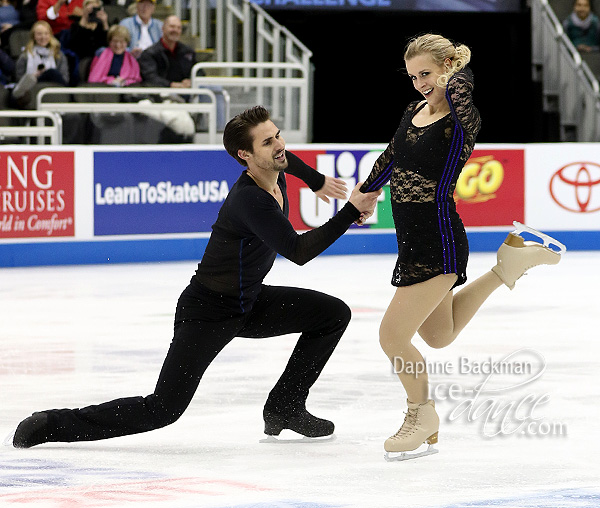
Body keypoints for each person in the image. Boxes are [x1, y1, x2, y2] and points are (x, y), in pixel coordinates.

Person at [11, 105, 382, 449]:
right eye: (268, 141)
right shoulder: (250, 200)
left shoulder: (274, 171)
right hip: (208, 311)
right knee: (163, 408)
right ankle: (53, 424)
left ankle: (285, 406)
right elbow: (298, 252)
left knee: (332, 314)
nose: (279, 145)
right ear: (245, 155)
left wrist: (315, 180)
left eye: (278, 134)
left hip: (249, 301)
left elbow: (287, 159)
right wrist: (350, 210)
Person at [358, 33, 564, 460]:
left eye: (427, 74)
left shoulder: (460, 116)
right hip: (411, 240)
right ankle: (506, 268)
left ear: (449, 67)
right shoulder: (414, 110)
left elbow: (460, 86)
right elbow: (392, 156)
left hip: (439, 239)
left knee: (392, 336)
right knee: (438, 334)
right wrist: (366, 192)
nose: (419, 84)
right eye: (413, 76)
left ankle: (421, 414)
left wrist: (452, 73)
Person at [12, 19, 68, 107]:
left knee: (52, 73)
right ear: (33, 36)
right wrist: (35, 75)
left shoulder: (59, 55)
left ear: (50, 35)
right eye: (39, 34)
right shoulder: (25, 56)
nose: (43, 37)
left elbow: (65, 79)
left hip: (54, 89)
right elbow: (19, 81)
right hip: (31, 88)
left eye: (46, 33)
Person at [138, 14, 196, 88]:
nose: (175, 30)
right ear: (163, 28)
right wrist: (171, 85)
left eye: (178, 28)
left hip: (186, 93)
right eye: (172, 27)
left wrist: (191, 81)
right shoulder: (149, 54)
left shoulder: (188, 52)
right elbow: (150, 77)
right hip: (160, 95)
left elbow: (199, 72)